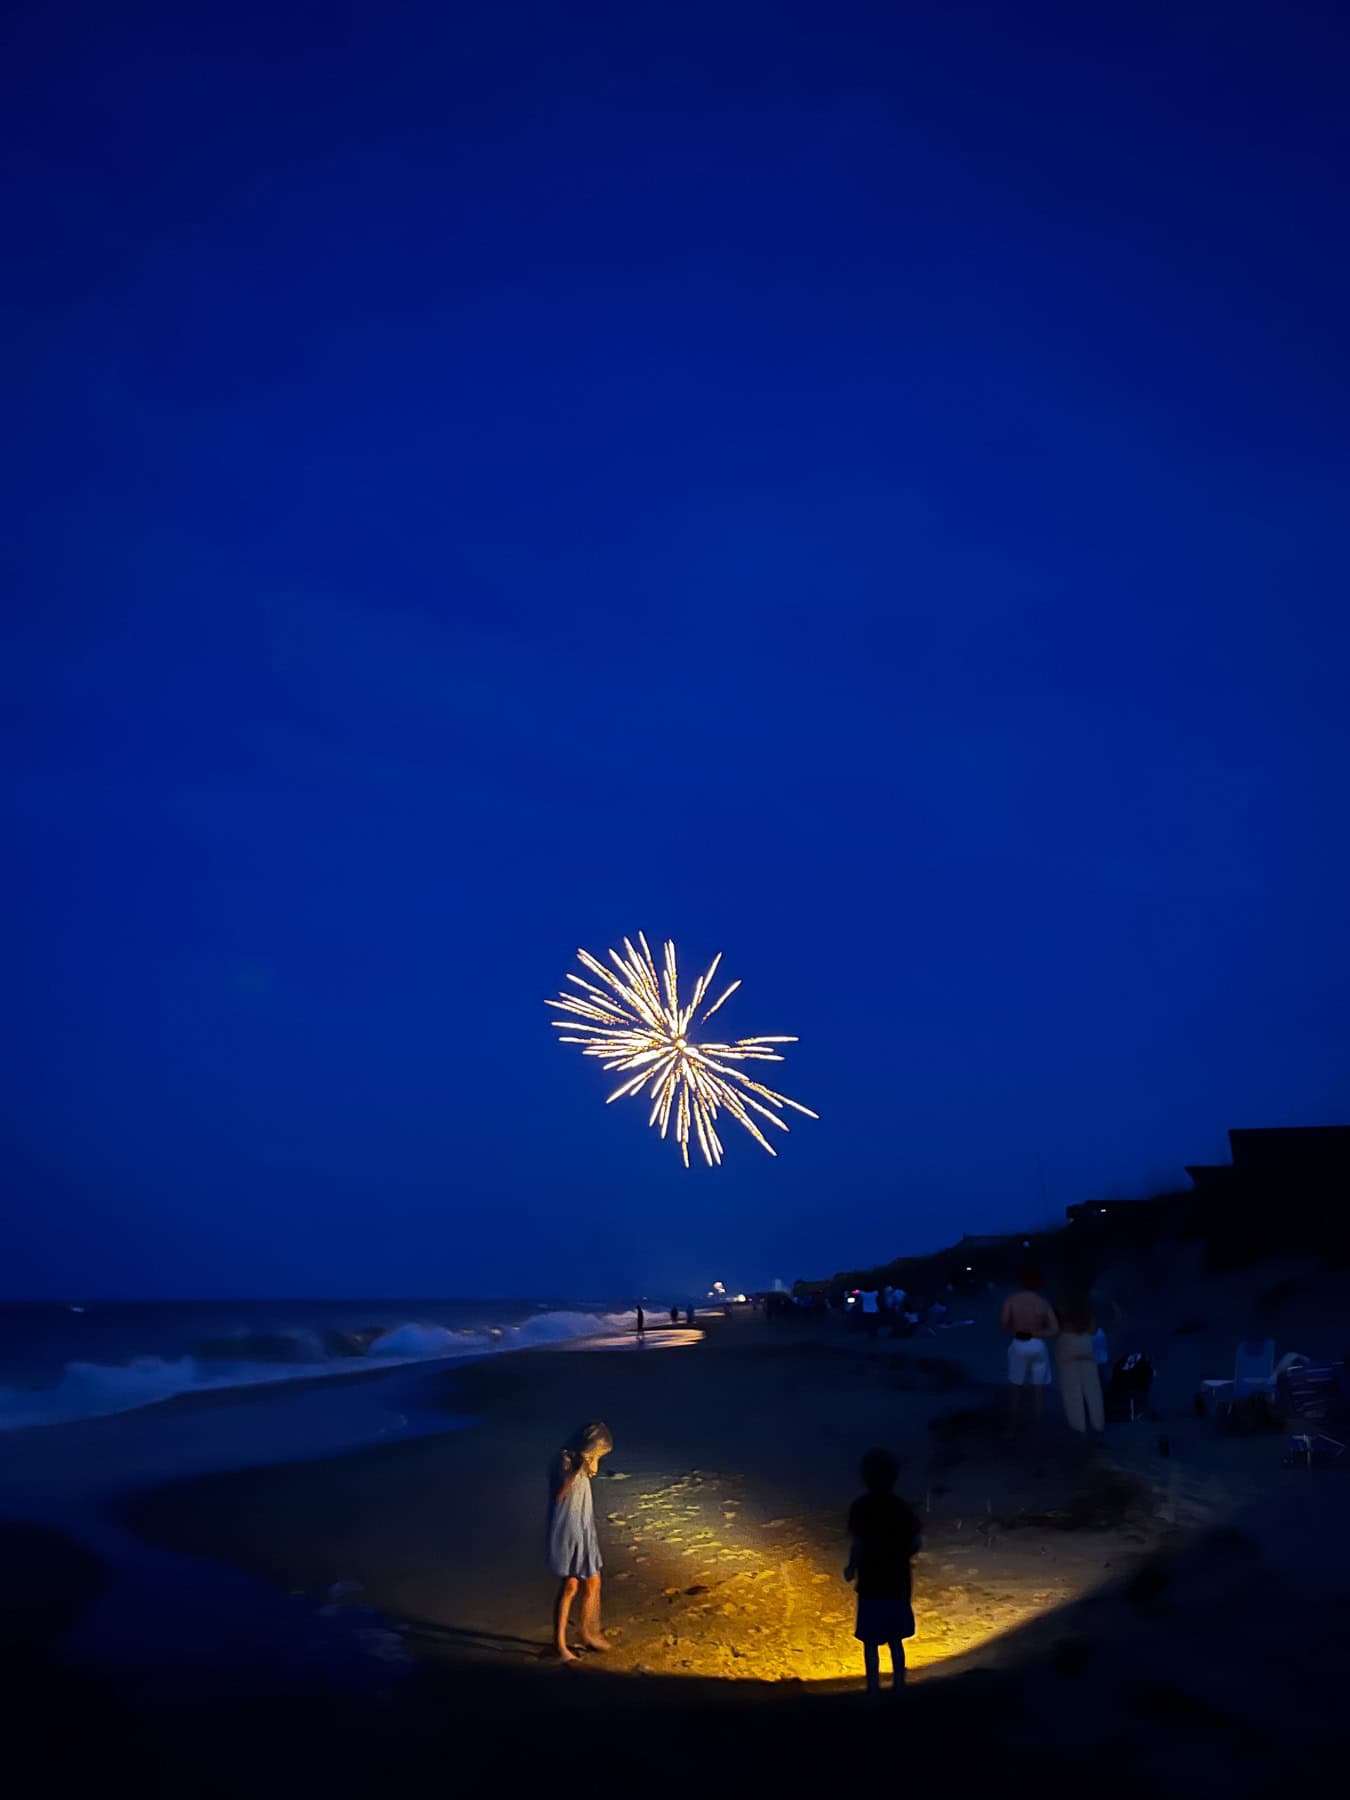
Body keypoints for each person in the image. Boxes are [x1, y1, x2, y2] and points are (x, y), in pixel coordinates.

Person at [843, 1447, 922, 1696]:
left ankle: (873, 1690)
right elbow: (914, 1544)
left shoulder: (861, 1507)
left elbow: (859, 1543)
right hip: (897, 1584)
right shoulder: (903, 1509)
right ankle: (899, 1685)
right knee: (895, 1639)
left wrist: (852, 1567)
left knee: (870, 1642)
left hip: (871, 1584)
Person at [547, 1421, 613, 1660]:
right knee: (571, 1585)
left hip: (584, 1524)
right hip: (567, 1527)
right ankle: (561, 1644)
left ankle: (588, 1632)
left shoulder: (584, 1461)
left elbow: (593, 1472)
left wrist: (590, 1460)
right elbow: (560, 1493)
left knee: (594, 1581)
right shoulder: (563, 1460)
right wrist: (575, 1468)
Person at [1000, 1268, 1058, 1430]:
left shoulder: (1012, 1300)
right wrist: (1036, 1332)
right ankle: (1038, 1426)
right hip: (1038, 1345)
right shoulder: (1042, 1302)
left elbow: (1004, 1323)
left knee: (1016, 1387)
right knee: (1038, 1389)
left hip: (1019, 1344)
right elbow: (1054, 1329)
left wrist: (1018, 1330)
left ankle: (1012, 1426)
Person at [1055, 1297, 1105, 1433]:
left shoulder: (1061, 1306)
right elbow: (1094, 1331)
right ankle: (1098, 1425)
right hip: (1086, 1344)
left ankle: (1078, 1427)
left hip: (1066, 1344)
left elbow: (1054, 1328)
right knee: (1093, 1390)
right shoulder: (1088, 1311)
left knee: (1072, 1391)